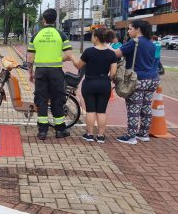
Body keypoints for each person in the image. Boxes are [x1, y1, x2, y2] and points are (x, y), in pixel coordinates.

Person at [27, 9, 73, 140]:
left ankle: (42, 131)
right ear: (55, 20)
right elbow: (69, 55)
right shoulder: (61, 35)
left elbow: (30, 58)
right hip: (56, 72)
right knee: (57, 100)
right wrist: (59, 59)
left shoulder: (36, 35)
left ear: (43, 20)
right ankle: (60, 130)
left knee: (41, 100)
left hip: (40, 72)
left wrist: (30, 73)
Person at [112, 20, 160, 144]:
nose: (128, 31)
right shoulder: (152, 44)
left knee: (134, 107)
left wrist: (104, 50)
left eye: (130, 29)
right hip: (153, 79)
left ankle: (131, 136)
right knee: (146, 107)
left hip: (137, 79)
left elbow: (117, 54)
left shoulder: (134, 42)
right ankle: (143, 134)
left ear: (138, 29)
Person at [70, 28, 117, 143]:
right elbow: (113, 73)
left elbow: (78, 66)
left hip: (89, 83)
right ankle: (101, 136)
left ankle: (89, 134)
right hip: (104, 84)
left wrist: (71, 57)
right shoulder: (111, 54)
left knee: (90, 110)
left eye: (92, 36)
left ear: (96, 37)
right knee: (101, 111)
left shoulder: (88, 52)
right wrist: (106, 80)